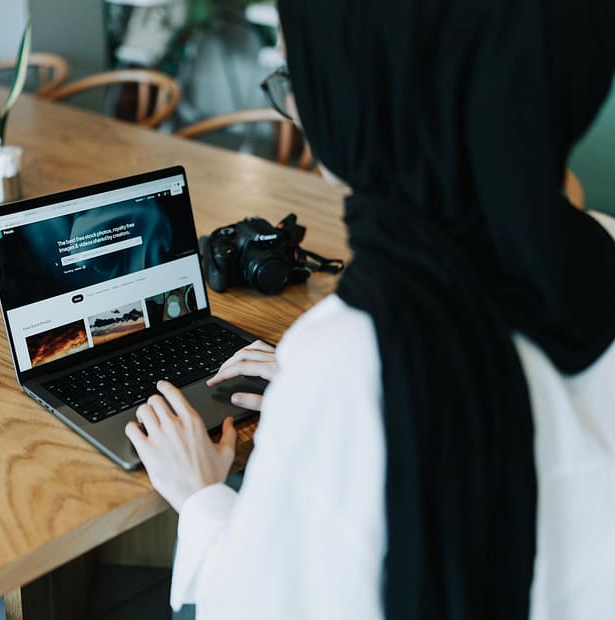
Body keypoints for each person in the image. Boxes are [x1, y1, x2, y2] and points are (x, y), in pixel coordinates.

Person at [124, 0, 615, 618]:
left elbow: (258, 605)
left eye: (300, 78)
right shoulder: (601, 245)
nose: (299, 109)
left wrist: (200, 499)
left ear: (367, 93)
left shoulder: (352, 366)